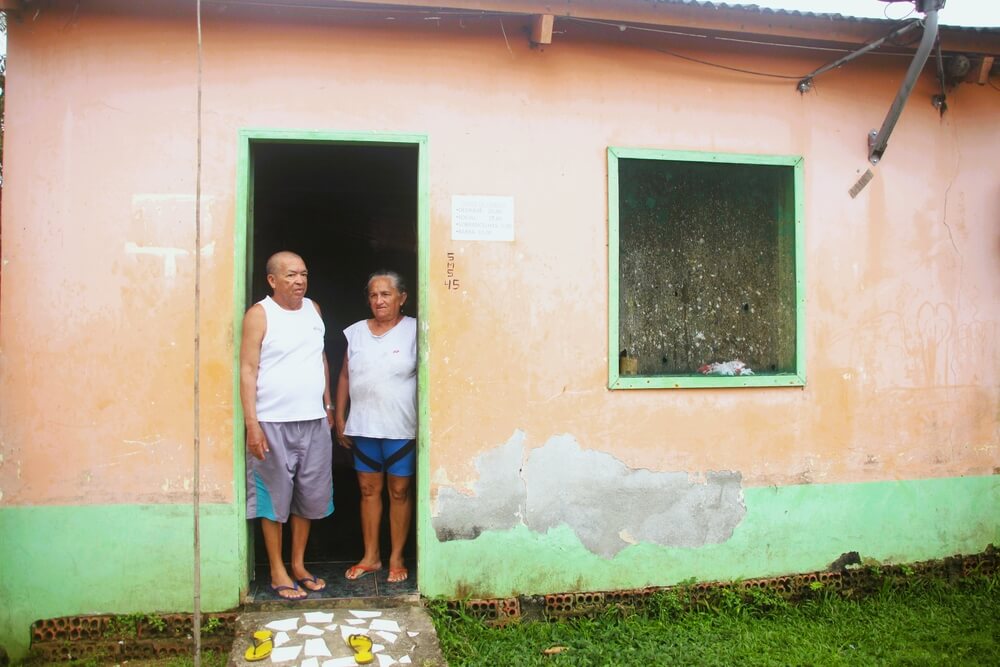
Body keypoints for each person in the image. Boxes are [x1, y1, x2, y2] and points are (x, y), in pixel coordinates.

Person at [240, 251, 334, 599]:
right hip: (272, 422)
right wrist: (252, 424)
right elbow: (248, 370)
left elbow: (320, 357)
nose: (299, 281)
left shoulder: (314, 310)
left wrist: (328, 405)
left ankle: (298, 564)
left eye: (304, 274)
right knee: (273, 499)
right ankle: (277, 569)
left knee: (308, 497)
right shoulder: (259, 315)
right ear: (272, 280)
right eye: (292, 275)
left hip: (313, 421)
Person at [335, 270, 417, 583]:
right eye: (373, 295)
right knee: (368, 491)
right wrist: (340, 415)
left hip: (401, 427)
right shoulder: (355, 332)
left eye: (385, 294)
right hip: (365, 427)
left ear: (402, 298)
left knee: (399, 492)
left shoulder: (413, 330)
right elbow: (344, 374)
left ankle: (396, 557)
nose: (379, 300)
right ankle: (371, 557)